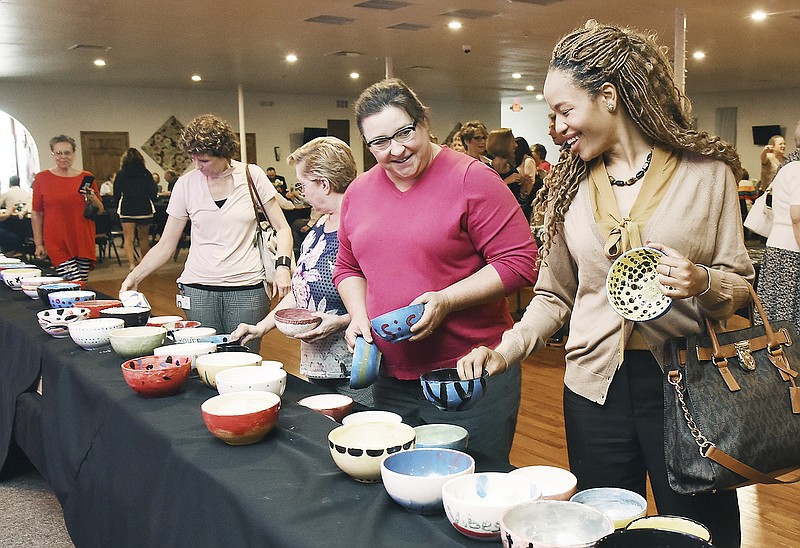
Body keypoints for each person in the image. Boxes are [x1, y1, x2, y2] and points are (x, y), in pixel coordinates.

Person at [457, 21, 753, 548]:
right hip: (594, 388)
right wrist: (505, 350)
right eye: (551, 114)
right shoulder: (568, 185)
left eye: (564, 110)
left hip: (692, 388)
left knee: (702, 533)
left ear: (610, 97)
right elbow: (553, 295)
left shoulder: (707, 175)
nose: (556, 127)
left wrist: (701, 281)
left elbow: (739, 288)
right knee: (602, 531)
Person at [333, 79, 538, 464]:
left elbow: (519, 262)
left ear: (424, 122)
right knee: (401, 486)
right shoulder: (359, 193)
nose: (396, 150)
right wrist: (359, 316)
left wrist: (446, 300)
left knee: (472, 486)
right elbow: (347, 267)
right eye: (379, 142)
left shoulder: (472, 179)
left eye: (405, 132)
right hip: (391, 374)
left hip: (468, 372)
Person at [120, 114, 293, 351]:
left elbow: (282, 228)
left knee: (243, 358)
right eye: (193, 159)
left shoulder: (252, 176)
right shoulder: (186, 184)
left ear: (225, 154)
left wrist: (283, 268)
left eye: (204, 160)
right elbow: (166, 244)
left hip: (247, 289)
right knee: (204, 358)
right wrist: (135, 277)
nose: (197, 166)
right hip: (198, 289)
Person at [232, 137, 371, 405]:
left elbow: (385, 298)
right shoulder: (317, 230)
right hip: (318, 366)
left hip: (357, 367)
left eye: (302, 184)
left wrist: (341, 322)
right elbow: (301, 291)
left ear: (324, 183)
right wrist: (260, 328)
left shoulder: (362, 227)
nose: (302, 192)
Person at [31, 135, 104, 281]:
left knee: (81, 281)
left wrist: (93, 198)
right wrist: (39, 243)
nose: (63, 157)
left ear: (74, 154)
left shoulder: (86, 177)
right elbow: (37, 213)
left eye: (67, 153)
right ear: (52, 155)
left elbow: (100, 209)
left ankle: (80, 304)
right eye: (59, 153)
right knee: (74, 281)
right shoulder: (42, 178)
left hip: (82, 238)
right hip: (56, 240)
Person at [756, 120, 800, 334]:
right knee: (788, 321)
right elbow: (797, 217)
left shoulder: (788, 166)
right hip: (791, 252)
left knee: (774, 316)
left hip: (778, 248)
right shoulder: (798, 169)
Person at [113, 148, 158, 270]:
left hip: (127, 208)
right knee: (144, 238)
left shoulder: (121, 174)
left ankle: (132, 264)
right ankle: (144, 264)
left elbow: (116, 192)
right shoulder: (146, 173)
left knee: (129, 238)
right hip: (144, 208)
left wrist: (118, 202)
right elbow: (153, 193)